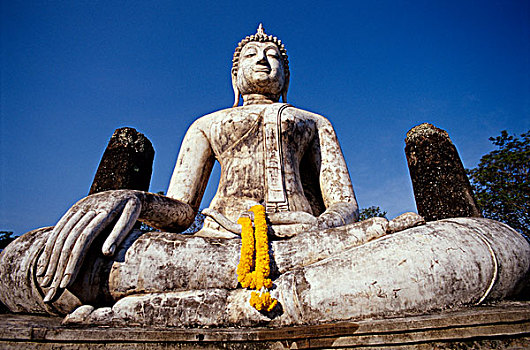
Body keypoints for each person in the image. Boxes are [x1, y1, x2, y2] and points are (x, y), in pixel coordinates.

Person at [0, 25, 528, 327]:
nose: (266, 62)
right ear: (234, 73)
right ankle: (264, 298)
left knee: (487, 246)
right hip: (213, 246)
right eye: (254, 56)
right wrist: (134, 200)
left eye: (276, 57)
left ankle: (180, 307)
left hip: (312, 243)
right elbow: (183, 210)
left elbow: (342, 203)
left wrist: (331, 233)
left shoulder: (313, 121)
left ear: (289, 73)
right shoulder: (207, 124)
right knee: (26, 261)